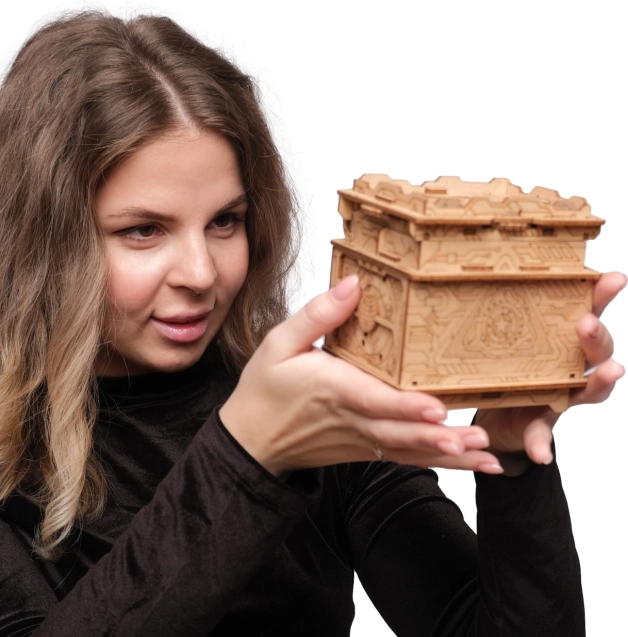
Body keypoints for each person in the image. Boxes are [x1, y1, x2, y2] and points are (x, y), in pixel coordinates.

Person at [0, 11, 624, 637]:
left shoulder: (314, 408)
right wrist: (248, 454)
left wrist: (514, 458)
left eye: (225, 221)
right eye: (143, 230)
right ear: (41, 241)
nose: (201, 272)